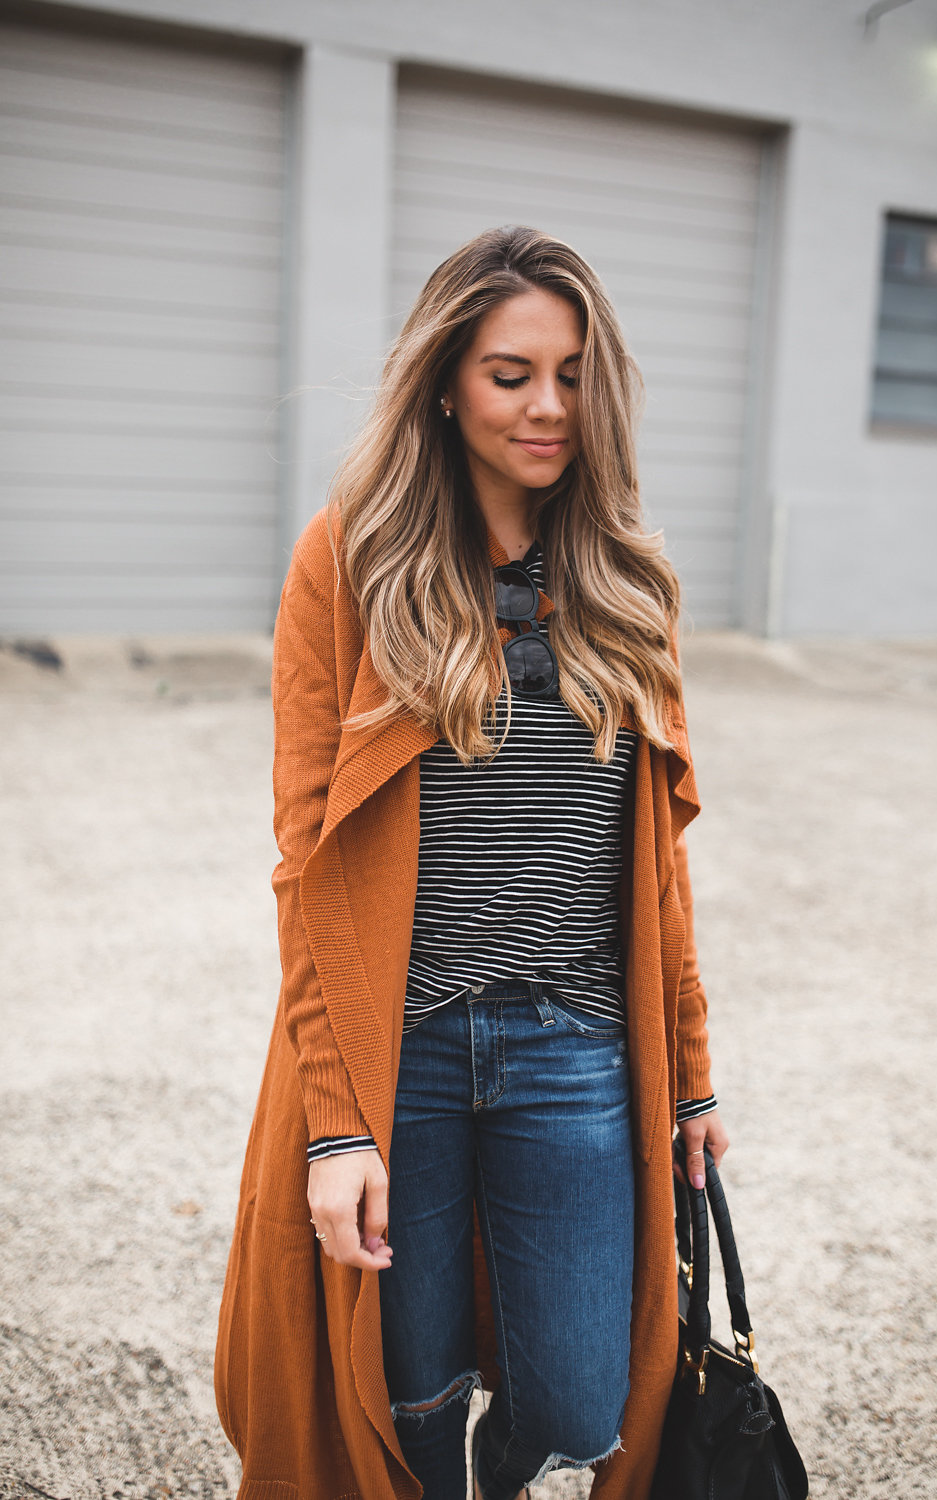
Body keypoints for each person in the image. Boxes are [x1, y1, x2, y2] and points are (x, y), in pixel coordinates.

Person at [215, 224, 729, 1500]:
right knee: (407, 1385)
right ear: (446, 379)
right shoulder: (351, 563)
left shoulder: (627, 581)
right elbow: (306, 860)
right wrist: (337, 1125)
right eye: (512, 374)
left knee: (579, 1397)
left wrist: (696, 1082)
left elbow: (655, 867)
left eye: (571, 374)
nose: (548, 406)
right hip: (406, 1053)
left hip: (575, 1043)